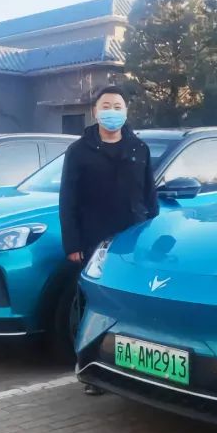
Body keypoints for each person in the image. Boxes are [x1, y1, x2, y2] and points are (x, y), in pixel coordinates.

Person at [59, 85, 158, 394]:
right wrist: (73, 244)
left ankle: (137, 368)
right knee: (94, 306)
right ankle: (91, 370)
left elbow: (150, 196)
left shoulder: (138, 148)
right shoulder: (79, 151)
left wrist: (150, 234)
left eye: (117, 106)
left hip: (133, 241)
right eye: (106, 106)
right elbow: (68, 200)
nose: (111, 111)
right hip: (94, 241)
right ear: (95, 111)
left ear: (126, 111)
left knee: (132, 305)